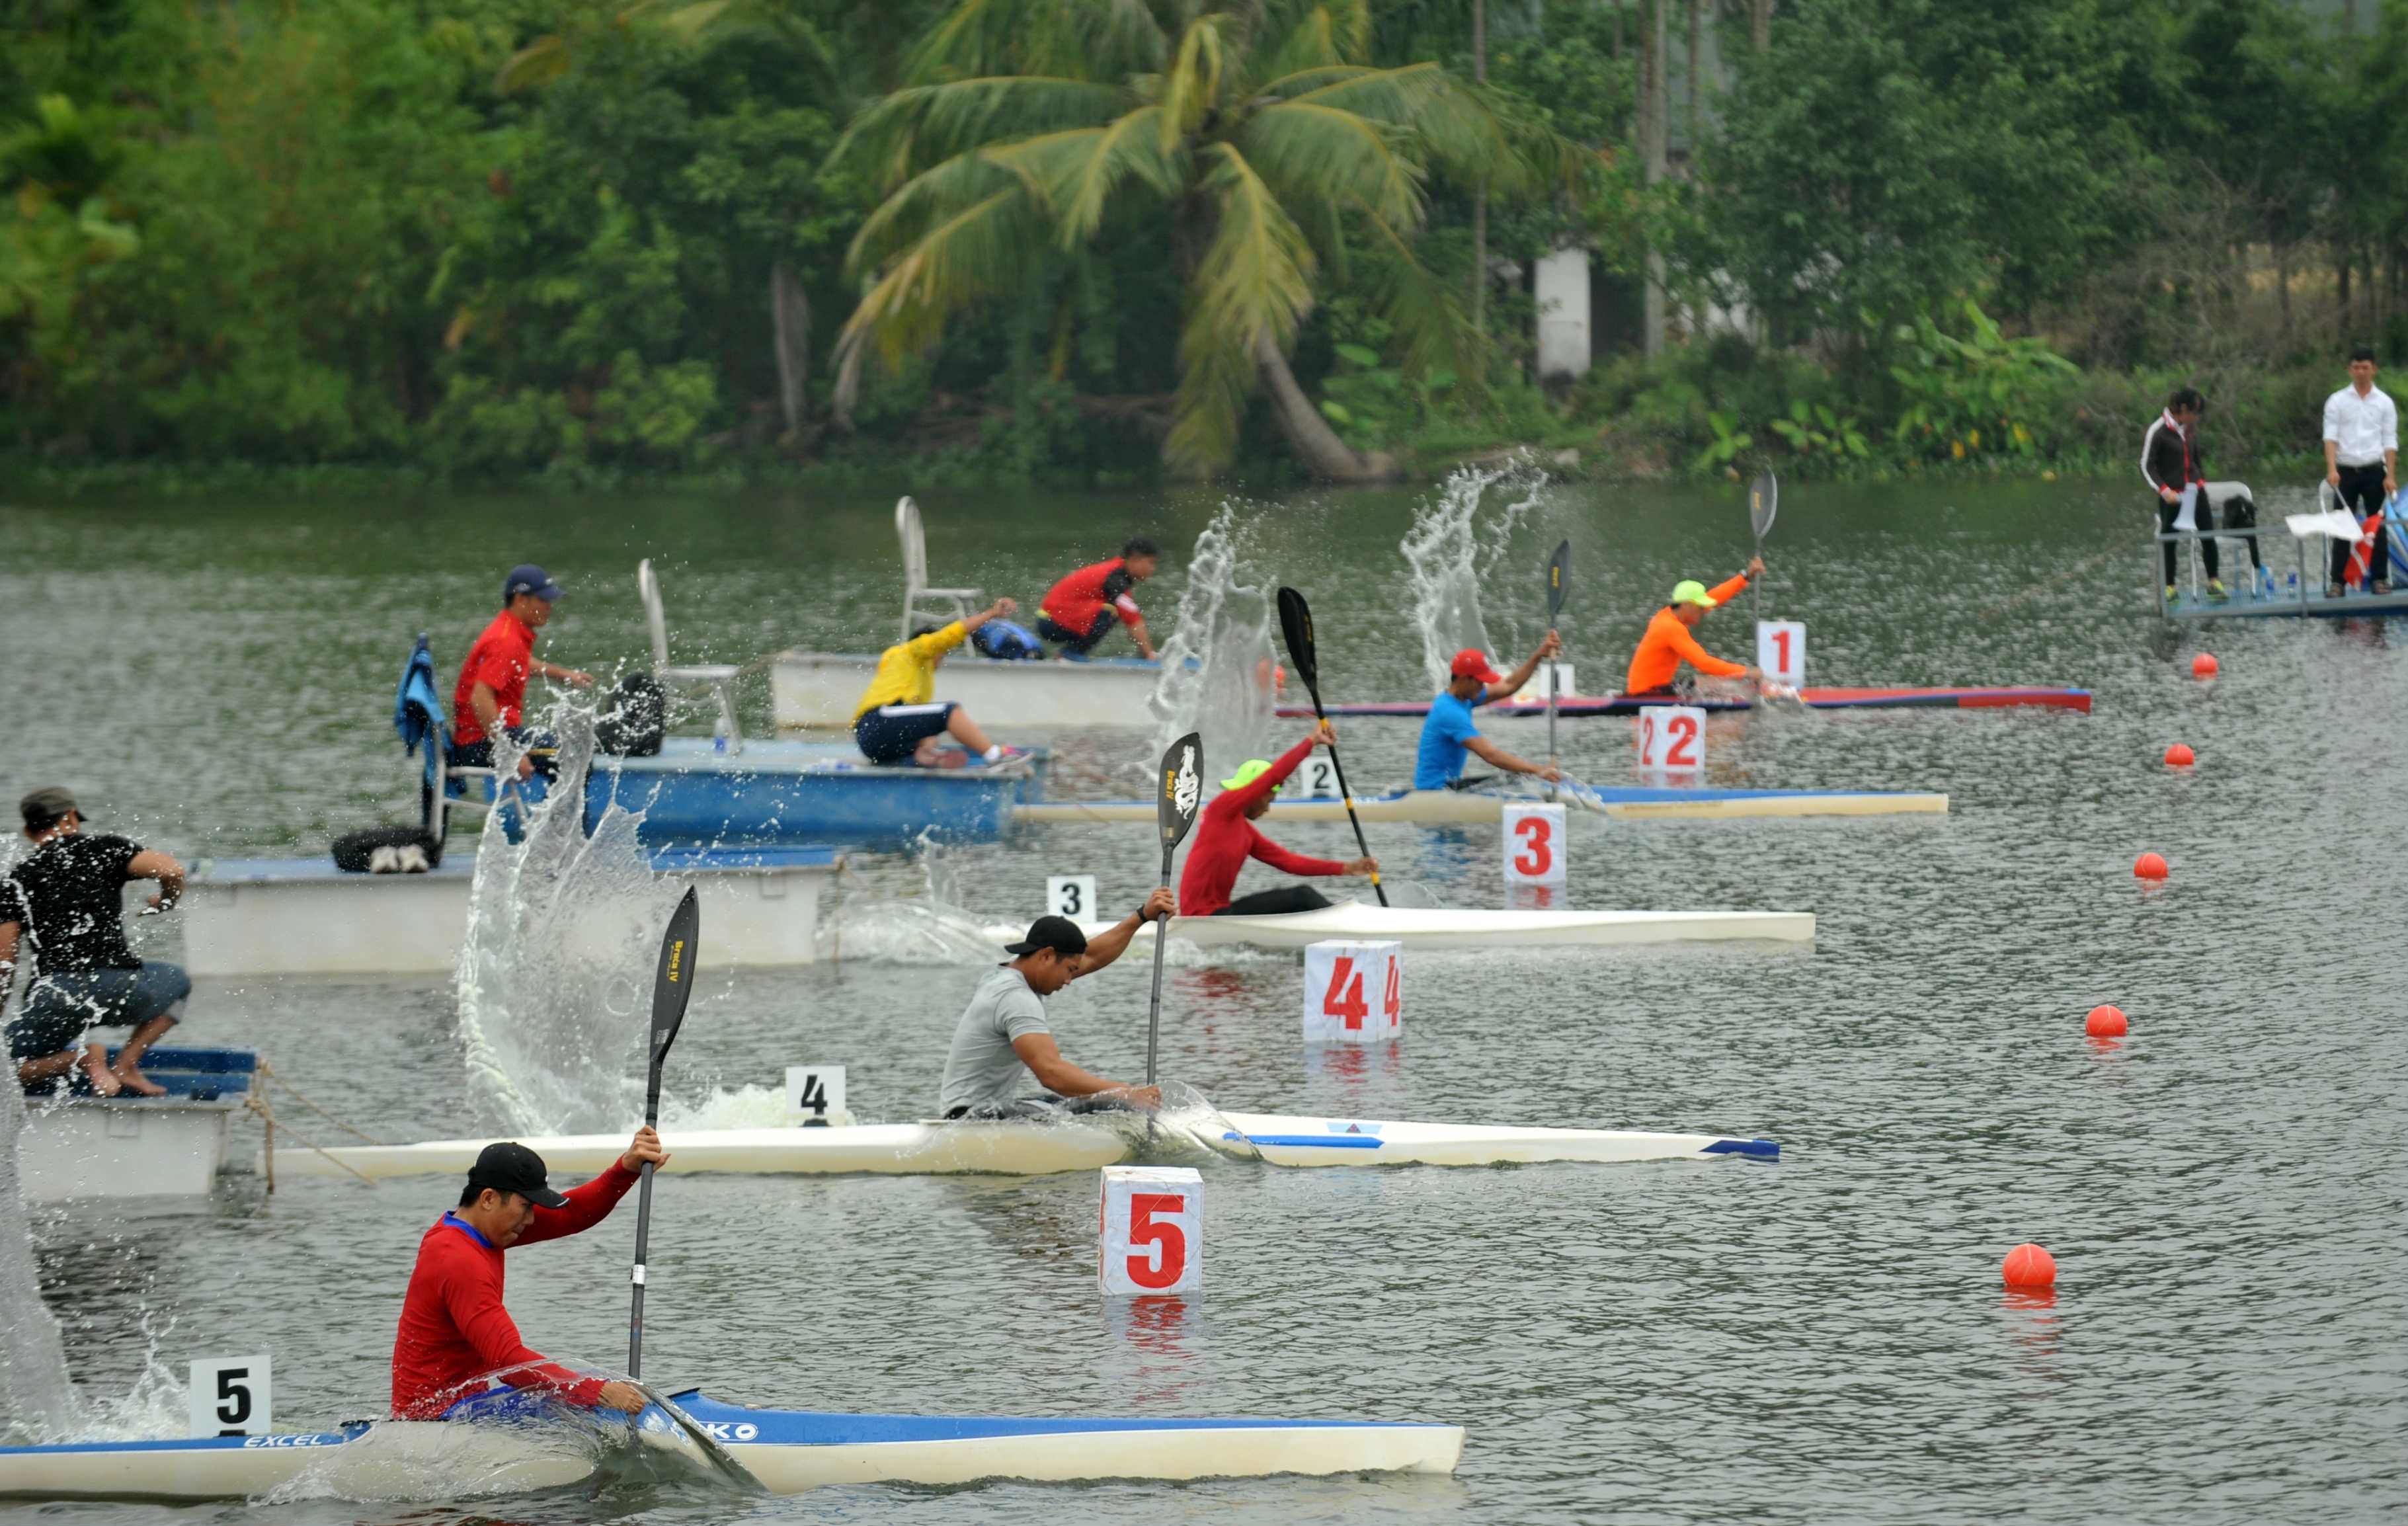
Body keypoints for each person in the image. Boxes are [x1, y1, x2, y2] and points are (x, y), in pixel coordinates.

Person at [391, 1131, 668, 1420]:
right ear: (488, 1199)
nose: (532, 1219)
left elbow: (572, 1215)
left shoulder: (480, 1229)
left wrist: (625, 1170)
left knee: (580, 1381)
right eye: (525, 1207)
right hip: (434, 1420)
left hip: (466, 1405)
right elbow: (507, 1360)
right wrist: (597, 1392)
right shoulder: (457, 1259)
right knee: (584, 1396)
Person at [0, 787, 188, 1097]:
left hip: (57, 996)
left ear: (28, 831)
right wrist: (166, 902)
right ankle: (126, 1066)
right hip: (121, 986)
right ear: (71, 816)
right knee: (178, 982)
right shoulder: (106, 848)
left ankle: (78, 1059)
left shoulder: (17, 879)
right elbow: (172, 870)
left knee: (6, 1070)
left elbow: (5, 962)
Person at [937, 894, 1175, 1119]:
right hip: (971, 1119)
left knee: (1064, 1104)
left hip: (983, 1110)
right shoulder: (1015, 997)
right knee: (1104, 1104)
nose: (1070, 981)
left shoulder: (1006, 973)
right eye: (1070, 970)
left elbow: (1091, 957)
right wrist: (1129, 1093)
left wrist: (1142, 917)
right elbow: (1052, 1074)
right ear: (1047, 956)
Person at [1180, 725, 1377, 917]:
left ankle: (1338, 925)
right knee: (1302, 895)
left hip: (1221, 912)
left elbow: (1289, 862)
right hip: (1202, 916)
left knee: (1301, 901)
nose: (1268, 808)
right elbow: (1274, 776)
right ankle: (1348, 926)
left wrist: (1348, 868)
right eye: (1269, 799)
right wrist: (1311, 741)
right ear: (1255, 793)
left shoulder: (1246, 833)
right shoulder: (1220, 811)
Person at [452, 564, 595, 782]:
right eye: (543, 600)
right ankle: (561, 817)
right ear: (520, 599)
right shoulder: (505, 640)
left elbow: (519, 662)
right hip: (480, 744)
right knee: (577, 757)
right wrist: (508, 753)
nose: (550, 606)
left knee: (574, 752)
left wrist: (562, 674)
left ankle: (557, 816)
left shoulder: (508, 630)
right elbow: (480, 698)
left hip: (481, 738)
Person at [852, 598, 1025, 766]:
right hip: (877, 723)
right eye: (941, 651)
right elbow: (950, 635)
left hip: (877, 744)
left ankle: (924, 757)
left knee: (930, 737)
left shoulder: (913, 672)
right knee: (950, 712)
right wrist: (991, 614)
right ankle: (995, 755)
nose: (943, 656)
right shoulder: (911, 651)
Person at [1412, 637, 1566, 792]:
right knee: (1519, 779)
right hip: (1435, 791)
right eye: (1480, 682)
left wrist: (1538, 655)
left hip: (1449, 786)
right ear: (1465, 679)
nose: (1483, 686)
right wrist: (1539, 770)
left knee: (1518, 778)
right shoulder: (1450, 713)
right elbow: (1491, 755)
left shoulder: (1463, 698)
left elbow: (1509, 685)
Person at [2323, 346, 2399, 596]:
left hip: (2374, 470)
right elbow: (2330, 438)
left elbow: (2390, 441)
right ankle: (2338, 581)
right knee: (2341, 524)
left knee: (2377, 525)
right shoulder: (2337, 400)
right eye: (2356, 367)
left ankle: (2379, 578)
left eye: (2365, 367)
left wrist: (2390, 476)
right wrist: (2332, 469)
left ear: (2374, 370)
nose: (2361, 372)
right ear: (2350, 370)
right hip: (2345, 471)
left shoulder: (2384, 403)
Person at [1624, 563, 1765, 698]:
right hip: (1647, 694)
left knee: (1716, 685)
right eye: (1700, 607)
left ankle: (1754, 692)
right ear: (1686, 605)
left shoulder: (1670, 613)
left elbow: (1715, 597)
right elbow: (1703, 663)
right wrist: (1747, 672)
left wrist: (1746, 576)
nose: (1704, 611)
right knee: (1718, 685)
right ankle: (1759, 694)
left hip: (1652, 689)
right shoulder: (1670, 627)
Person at [2144, 389, 2225, 600]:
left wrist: (2202, 483)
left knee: (2208, 535)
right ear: (2182, 409)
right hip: (2172, 494)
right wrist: (2164, 490)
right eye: (2194, 413)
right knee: (2170, 541)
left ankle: (2214, 582)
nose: (2196, 418)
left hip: (2194, 490)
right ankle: (2170, 587)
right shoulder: (2159, 430)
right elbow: (2147, 466)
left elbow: (2196, 458)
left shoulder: (2190, 429)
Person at [1036, 539, 1161, 659]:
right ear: (1135, 560)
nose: (1153, 569)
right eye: (1151, 563)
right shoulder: (1116, 578)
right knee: (1112, 611)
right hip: (1051, 623)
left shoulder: (1115, 571)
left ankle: (1071, 653)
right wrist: (1150, 654)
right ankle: (1070, 654)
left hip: (1049, 619)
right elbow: (1133, 619)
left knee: (1114, 608)